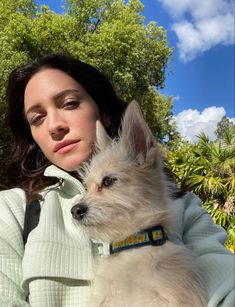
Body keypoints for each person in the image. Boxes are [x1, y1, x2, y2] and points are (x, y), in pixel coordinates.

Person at [0, 54, 234, 307]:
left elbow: (227, 286)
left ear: (105, 113)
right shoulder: (12, 209)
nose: (54, 125)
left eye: (69, 103)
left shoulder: (186, 208)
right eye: (37, 118)